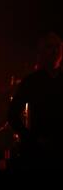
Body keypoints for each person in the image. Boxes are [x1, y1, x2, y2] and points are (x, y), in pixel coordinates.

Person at [8, 32, 63, 169]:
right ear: (42, 51)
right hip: (39, 152)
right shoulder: (31, 81)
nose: (55, 50)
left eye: (57, 46)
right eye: (50, 47)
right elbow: (12, 114)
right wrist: (32, 139)